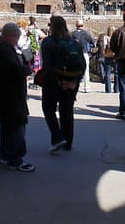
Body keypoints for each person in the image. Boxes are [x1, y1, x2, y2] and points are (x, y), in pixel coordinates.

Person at [0, 23, 35, 172]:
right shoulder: (4, 50)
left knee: (7, 126)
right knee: (17, 126)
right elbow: (13, 70)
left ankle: (6, 154)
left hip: (3, 94)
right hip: (11, 95)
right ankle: (16, 159)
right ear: (12, 36)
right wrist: (26, 70)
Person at [39, 15, 85, 154]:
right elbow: (82, 64)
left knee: (48, 108)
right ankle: (68, 142)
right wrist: (75, 81)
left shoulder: (47, 42)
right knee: (67, 110)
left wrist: (58, 81)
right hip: (71, 81)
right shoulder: (73, 41)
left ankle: (57, 137)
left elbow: (47, 65)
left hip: (53, 81)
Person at [71, 19, 95, 92]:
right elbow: (92, 43)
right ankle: (86, 87)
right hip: (84, 53)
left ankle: (75, 86)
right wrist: (89, 50)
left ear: (76, 25)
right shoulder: (86, 34)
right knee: (86, 71)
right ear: (82, 25)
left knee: (74, 70)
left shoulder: (72, 34)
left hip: (75, 53)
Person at [97, 26, 117, 94]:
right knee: (116, 73)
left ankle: (108, 89)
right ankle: (116, 89)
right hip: (115, 56)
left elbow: (104, 47)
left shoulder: (105, 37)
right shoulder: (117, 37)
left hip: (107, 55)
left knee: (107, 73)